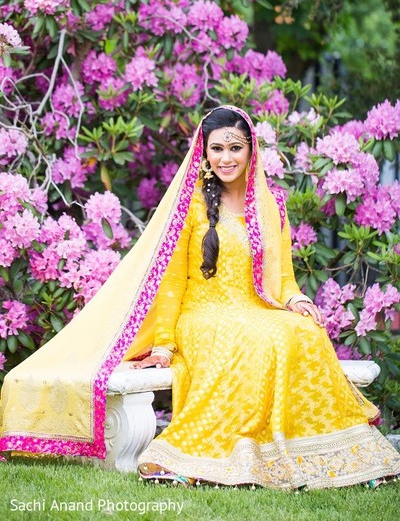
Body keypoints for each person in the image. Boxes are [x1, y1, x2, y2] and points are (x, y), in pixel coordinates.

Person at [0, 105, 399, 490]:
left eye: (235, 147)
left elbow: (284, 277)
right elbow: (172, 284)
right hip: (203, 316)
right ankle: (211, 453)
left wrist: (296, 301)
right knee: (265, 338)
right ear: (205, 152)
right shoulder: (190, 205)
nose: (227, 158)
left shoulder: (272, 203)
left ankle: (319, 453)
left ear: (250, 149)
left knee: (303, 332)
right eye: (218, 149)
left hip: (256, 309)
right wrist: (163, 344)